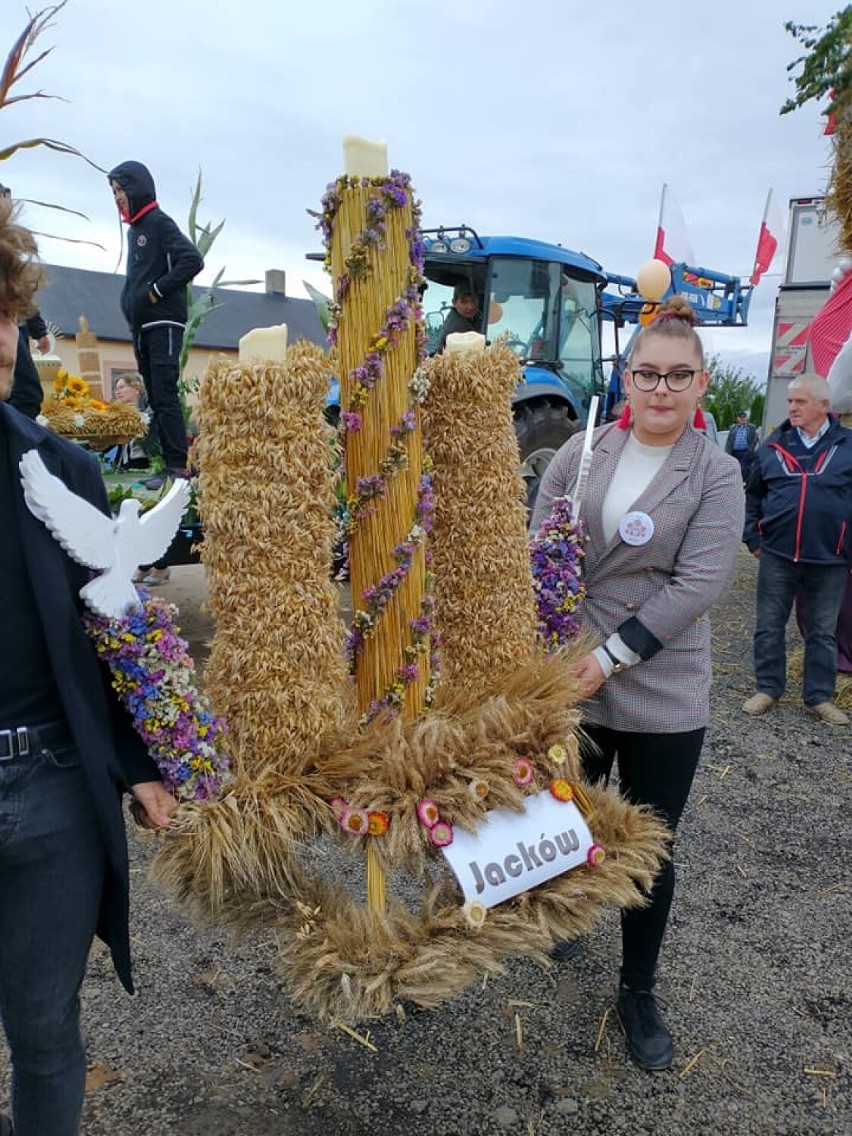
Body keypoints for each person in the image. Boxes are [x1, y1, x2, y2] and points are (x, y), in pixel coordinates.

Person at [0, 197, 177, 1135]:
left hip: (54, 792)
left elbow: (104, 636)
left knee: (43, 1030)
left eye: (1, 310)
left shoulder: (61, 470)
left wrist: (140, 765)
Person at [531, 297, 744, 1072]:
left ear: (701, 382)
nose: (661, 389)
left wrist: (611, 656)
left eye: (677, 376)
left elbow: (697, 583)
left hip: (662, 684)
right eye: (647, 373)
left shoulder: (716, 474)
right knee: (568, 814)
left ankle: (638, 988)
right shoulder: (579, 454)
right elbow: (539, 551)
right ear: (627, 376)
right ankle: (565, 913)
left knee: (648, 845)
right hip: (570, 677)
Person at [742, 373, 852, 726]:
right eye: (790, 401)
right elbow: (753, 495)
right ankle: (768, 688)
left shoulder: (848, 447)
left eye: (800, 401)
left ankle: (819, 696)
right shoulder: (774, 447)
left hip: (830, 558)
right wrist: (754, 538)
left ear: (824, 406)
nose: (792, 407)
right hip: (777, 555)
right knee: (769, 625)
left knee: (823, 631)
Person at [107, 160, 203, 490]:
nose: (118, 197)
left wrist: (156, 292)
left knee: (164, 393)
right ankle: (169, 464)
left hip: (163, 322)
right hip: (143, 327)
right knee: (155, 397)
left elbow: (192, 259)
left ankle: (179, 466)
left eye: (121, 190)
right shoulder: (135, 230)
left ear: (136, 188)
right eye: (115, 192)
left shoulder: (158, 223)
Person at [433, 282, 480, 352]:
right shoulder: (459, 327)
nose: (470, 307)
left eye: (473, 301)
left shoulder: (474, 317)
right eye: (464, 302)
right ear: (454, 303)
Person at [724, 409, 758, 481]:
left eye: (744, 417)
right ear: (738, 418)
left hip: (745, 452)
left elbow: (755, 439)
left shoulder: (751, 428)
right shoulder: (733, 428)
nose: (742, 419)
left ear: (746, 418)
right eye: (741, 418)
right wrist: (727, 451)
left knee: (743, 468)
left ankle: (743, 482)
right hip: (734, 452)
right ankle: (735, 482)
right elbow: (729, 441)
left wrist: (750, 449)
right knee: (734, 467)